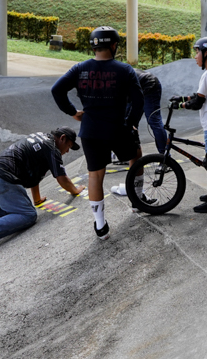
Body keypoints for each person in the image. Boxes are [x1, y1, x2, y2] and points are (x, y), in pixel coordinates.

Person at [51, 26, 144, 240]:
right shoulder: (125, 70)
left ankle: (100, 226)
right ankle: (137, 200)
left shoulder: (80, 69)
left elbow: (57, 90)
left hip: (91, 130)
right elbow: (139, 100)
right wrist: (131, 123)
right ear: (114, 45)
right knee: (136, 157)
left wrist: (73, 112)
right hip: (118, 128)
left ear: (93, 46)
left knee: (95, 175)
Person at [0, 128, 86, 252]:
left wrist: (37, 200)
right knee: (28, 215)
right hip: (2, 177)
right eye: (68, 146)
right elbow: (62, 178)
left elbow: (35, 177)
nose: (67, 151)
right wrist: (75, 190)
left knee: (3, 212)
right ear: (62, 138)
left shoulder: (39, 138)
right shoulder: (52, 148)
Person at [172, 37, 207, 213]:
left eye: (197, 52)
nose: (195, 56)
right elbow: (201, 95)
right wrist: (183, 98)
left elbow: (198, 103)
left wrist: (181, 105)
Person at [111, 68, 168, 196]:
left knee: (153, 120)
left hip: (150, 85)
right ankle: (127, 154)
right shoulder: (109, 80)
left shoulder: (112, 79)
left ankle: (165, 158)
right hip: (135, 88)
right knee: (127, 121)